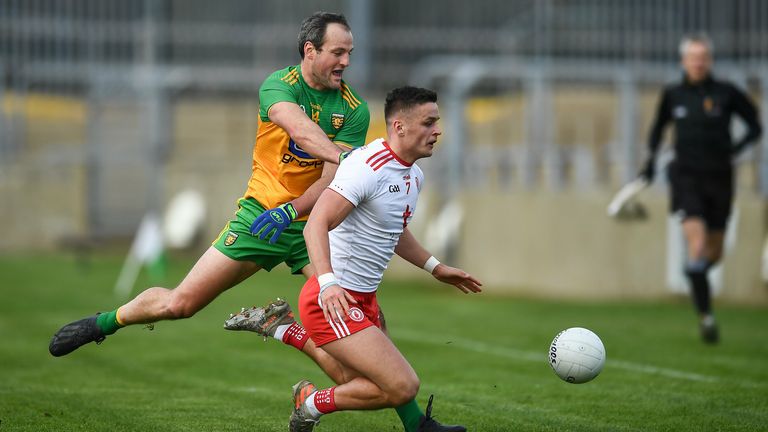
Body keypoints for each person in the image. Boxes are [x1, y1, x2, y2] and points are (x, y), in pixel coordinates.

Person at [48, 11, 369, 383]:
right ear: (310, 51)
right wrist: (346, 158)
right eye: (338, 52)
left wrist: (293, 210)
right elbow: (300, 129)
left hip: (312, 226)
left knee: (357, 356)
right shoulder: (278, 85)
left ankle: (291, 333)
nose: (346, 62)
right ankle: (104, 323)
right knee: (180, 303)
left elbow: (330, 182)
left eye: (350, 53)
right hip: (259, 219)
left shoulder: (354, 109)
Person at [232, 86, 482, 432]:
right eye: (428, 122)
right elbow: (315, 225)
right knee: (401, 385)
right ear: (399, 127)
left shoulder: (414, 174)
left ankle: (286, 330)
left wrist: (435, 267)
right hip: (332, 300)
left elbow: (394, 231)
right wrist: (328, 284)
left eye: (436, 122)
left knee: (358, 381)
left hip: (363, 297)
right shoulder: (367, 167)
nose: (437, 131)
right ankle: (310, 404)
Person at [639, 33, 762, 343]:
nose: (698, 62)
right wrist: (650, 161)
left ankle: (698, 272)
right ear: (684, 61)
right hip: (685, 176)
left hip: (720, 178)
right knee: (697, 244)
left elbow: (755, 125)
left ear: (710, 61)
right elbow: (657, 129)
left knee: (715, 253)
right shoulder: (673, 94)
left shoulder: (727, 93)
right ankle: (706, 316)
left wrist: (735, 149)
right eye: (693, 57)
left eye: (703, 57)